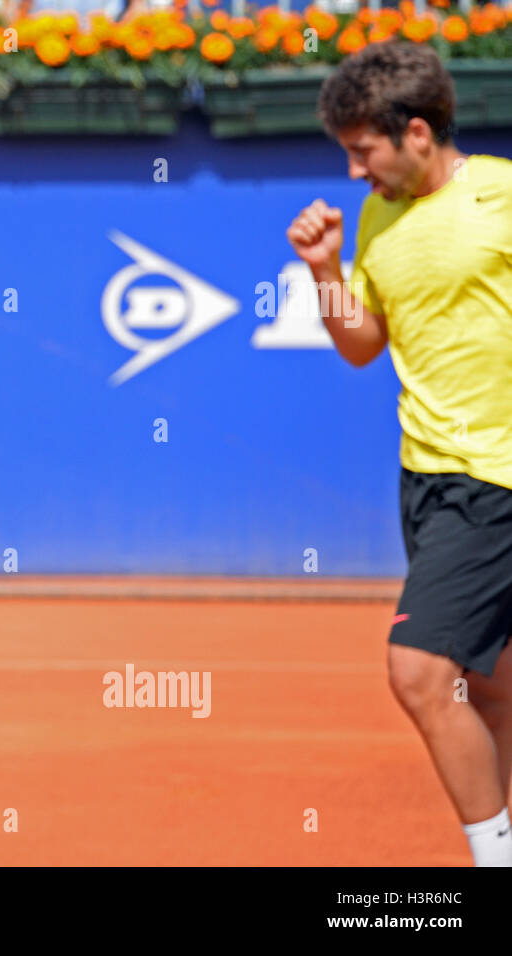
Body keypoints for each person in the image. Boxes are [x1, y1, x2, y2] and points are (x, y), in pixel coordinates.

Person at [287, 40, 512, 866]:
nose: (353, 173)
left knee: (418, 671)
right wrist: (324, 271)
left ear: (417, 131)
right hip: (425, 479)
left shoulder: (502, 196)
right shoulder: (380, 216)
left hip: (497, 481)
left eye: (362, 151)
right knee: (487, 688)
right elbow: (363, 343)